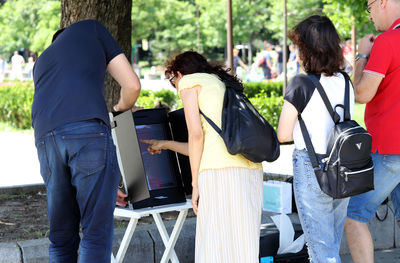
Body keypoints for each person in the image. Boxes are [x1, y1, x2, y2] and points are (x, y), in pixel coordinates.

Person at [31, 19, 141, 263]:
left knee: (61, 238)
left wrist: (101, 186)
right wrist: (120, 109)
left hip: (45, 139)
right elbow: (132, 85)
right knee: (95, 234)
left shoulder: (41, 63)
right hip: (87, 132)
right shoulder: (93, 28)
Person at [158, 51, 263, 262]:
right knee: (244, 248)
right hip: (250, 169)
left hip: (218, 174)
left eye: (172, 80)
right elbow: (203, 145)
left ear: (179, 73)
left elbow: (196, 136)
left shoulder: (188, 83)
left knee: (214, 246)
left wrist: (195, 184)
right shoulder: (221, 84)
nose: (175, 85)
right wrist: (165, 144)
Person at [277, 15, 354, 262]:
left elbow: (283, 134)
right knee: (330, 244)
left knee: (321, 250)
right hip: (344, 168)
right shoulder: (344, 81)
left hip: (313, 168)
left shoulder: (301, 83)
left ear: (307, 49)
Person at [344, 1, 400, 262]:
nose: (370, 14)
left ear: (383, 3)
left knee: (353, 217)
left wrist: (361, 55)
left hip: (390, 147)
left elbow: (362, 93)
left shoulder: (387, 41)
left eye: (370, 7)